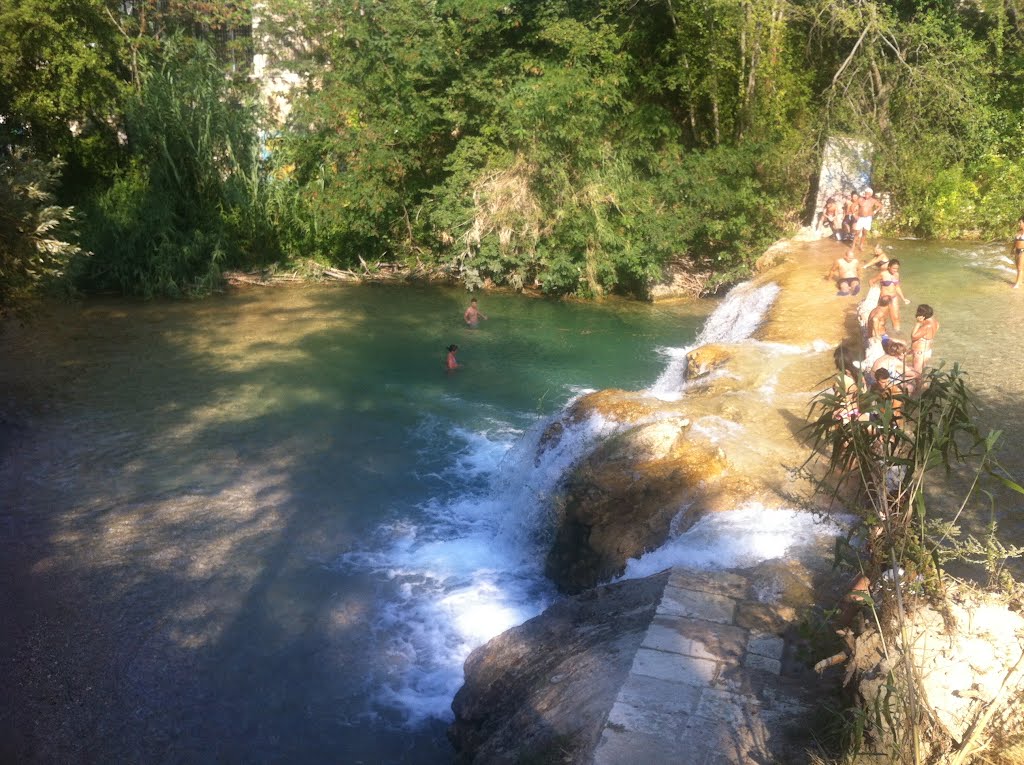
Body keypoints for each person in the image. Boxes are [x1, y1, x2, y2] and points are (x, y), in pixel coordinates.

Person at [871, 259, 910, 332]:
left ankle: (897, 333)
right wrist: (873, 293)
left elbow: (897, 287)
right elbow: (871, 281)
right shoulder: (883, 274)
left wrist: (903, 298)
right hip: (884, 299)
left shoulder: (896, 274)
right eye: (894, 268)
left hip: (893, 297)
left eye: (897, 268)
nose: (895, 270)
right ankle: (880, 332)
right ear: (889, 267)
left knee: (896, 317)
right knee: (883, 318)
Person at [910, 304, 939, 375]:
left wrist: (918, 323)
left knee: (916, 374)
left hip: (920, 352)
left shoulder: (927, 326)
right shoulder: (935, 322)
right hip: (926, 351)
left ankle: (919, 386)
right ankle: (924, 386)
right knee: (922, 374)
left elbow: (913, 336)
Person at [853, 187, 884, 251]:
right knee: (857, 232)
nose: (866, 195)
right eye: (866, 193)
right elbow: (852, 206)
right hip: (860, 218)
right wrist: (854, 214)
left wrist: (875, 211)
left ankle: (861, 245)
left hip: (868, 218)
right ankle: (853, 246)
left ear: (871, 194)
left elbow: (880, 206)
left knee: (864, 233)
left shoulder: (873, 200)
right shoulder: (860, 199)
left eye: (868, 194)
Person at [1013, 216, 1024, 289]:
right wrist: (1011, 250)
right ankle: (1020, 281)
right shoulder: (1019, 232)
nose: (1019, 224)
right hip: (1016, 251)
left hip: (1023, 251)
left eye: (1020, 222)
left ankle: (1017, 284)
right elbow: (1014, 242)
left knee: (1020, 268)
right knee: (1018, 268)